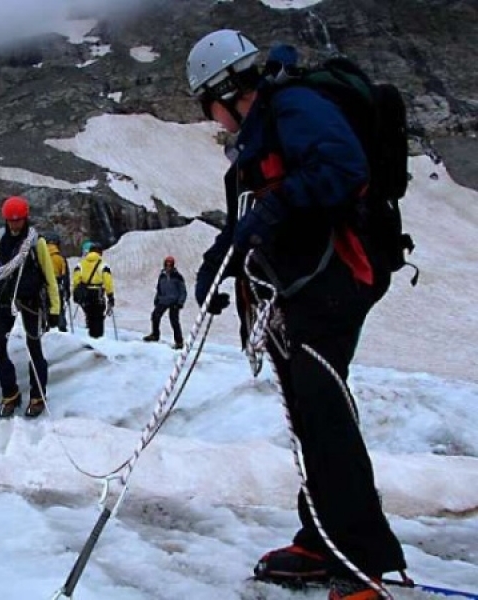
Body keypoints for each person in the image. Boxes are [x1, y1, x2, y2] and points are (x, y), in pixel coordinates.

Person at [186, 30, 406, 600]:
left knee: (324, 413)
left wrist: (277, 208)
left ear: (226, 89)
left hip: (336, 277)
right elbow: (244, 218)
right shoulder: (257, 139)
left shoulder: (294, 107)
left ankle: (362, 563)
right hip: (302, 288)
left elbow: (343, 165)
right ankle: (321, 539)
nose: (213, 119)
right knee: (311, 415)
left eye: (208, 105)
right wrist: (217, 266)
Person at [0, 196, 61, 419]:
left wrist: (55, 309)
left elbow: (49, 276)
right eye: (11, 220)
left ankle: (38, 396)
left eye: (18, 220)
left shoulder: (36, 243)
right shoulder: (2, 237)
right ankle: (10, 393)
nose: (15, 224)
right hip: (5, 298)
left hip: (31, 302)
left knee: (34, 347)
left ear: (25, 218)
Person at [72, 242, 115, 339]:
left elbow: (76, 280)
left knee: (89, 315)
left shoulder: (80, 264)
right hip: (98, 293)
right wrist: (110, 296)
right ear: (99, 252)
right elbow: (108, 282)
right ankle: (98, 338)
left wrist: (77, 292)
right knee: (98, 317)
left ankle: (90, 337)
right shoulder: (103, 265)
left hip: (86, 294)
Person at [143, 256, 187, 349]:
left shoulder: (178, 276)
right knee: (155, 316)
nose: (168, 266)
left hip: (174, 302)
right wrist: (157, 298)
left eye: (170, 264)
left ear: (173, 265)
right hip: (163, 300)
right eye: (167, 264)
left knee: (174, 321)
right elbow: (159, 289)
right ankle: (155, 335)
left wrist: (180, 303)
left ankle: (179, 342)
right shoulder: (162, 276)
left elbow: (183, 291)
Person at [44, 232, 70, 332]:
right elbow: (65, 275)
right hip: (57, 284)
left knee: (45, 305)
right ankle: (61, 325)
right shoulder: (60, 257)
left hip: (44, 284)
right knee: (59, 305)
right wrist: (67, 291)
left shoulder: (42, 256)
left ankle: (45, 325)